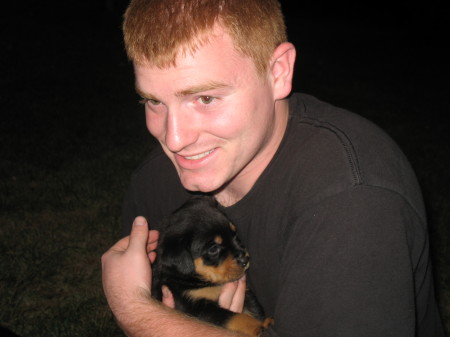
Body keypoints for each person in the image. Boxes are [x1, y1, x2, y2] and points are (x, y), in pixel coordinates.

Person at [101, 0, 445, 336]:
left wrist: (133, 308)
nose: (174, 139)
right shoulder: (155, 180)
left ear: (278, 72)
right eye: (154, 101)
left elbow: (142, 315)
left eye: (205, 98)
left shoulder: (354, 197)